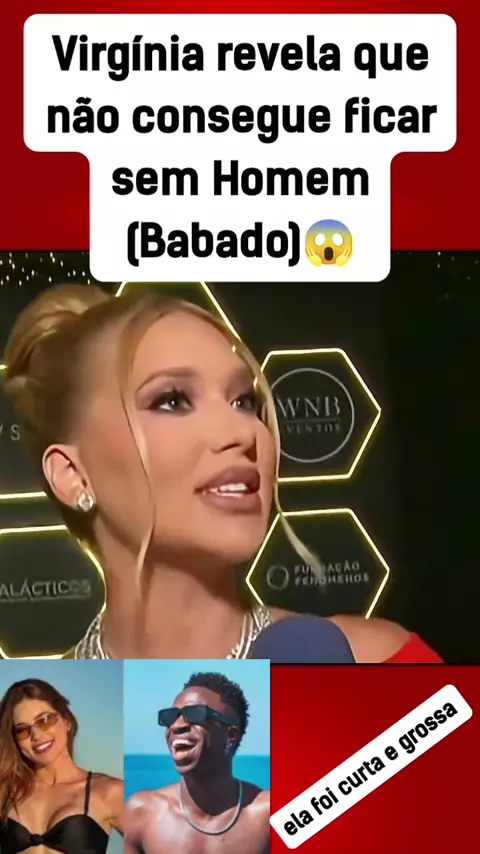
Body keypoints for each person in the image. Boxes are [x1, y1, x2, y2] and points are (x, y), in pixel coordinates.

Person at [3, 284, 442, 662]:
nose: (242, 431)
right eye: (172, 400)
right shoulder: (32, 714)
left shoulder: (376, 664)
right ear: (72, 474)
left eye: (244, 401)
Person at [125, 671, 270, 854]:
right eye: (171, 716)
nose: (177, 725)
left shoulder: (268, 815)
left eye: (195, 714)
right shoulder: (143, 814)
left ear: (231, 735)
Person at [0, 678, 124, 854]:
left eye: (44, 720)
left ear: (66, 720)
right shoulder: (6, 793)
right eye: (22, 730)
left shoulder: (110, 792)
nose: (36, 735)